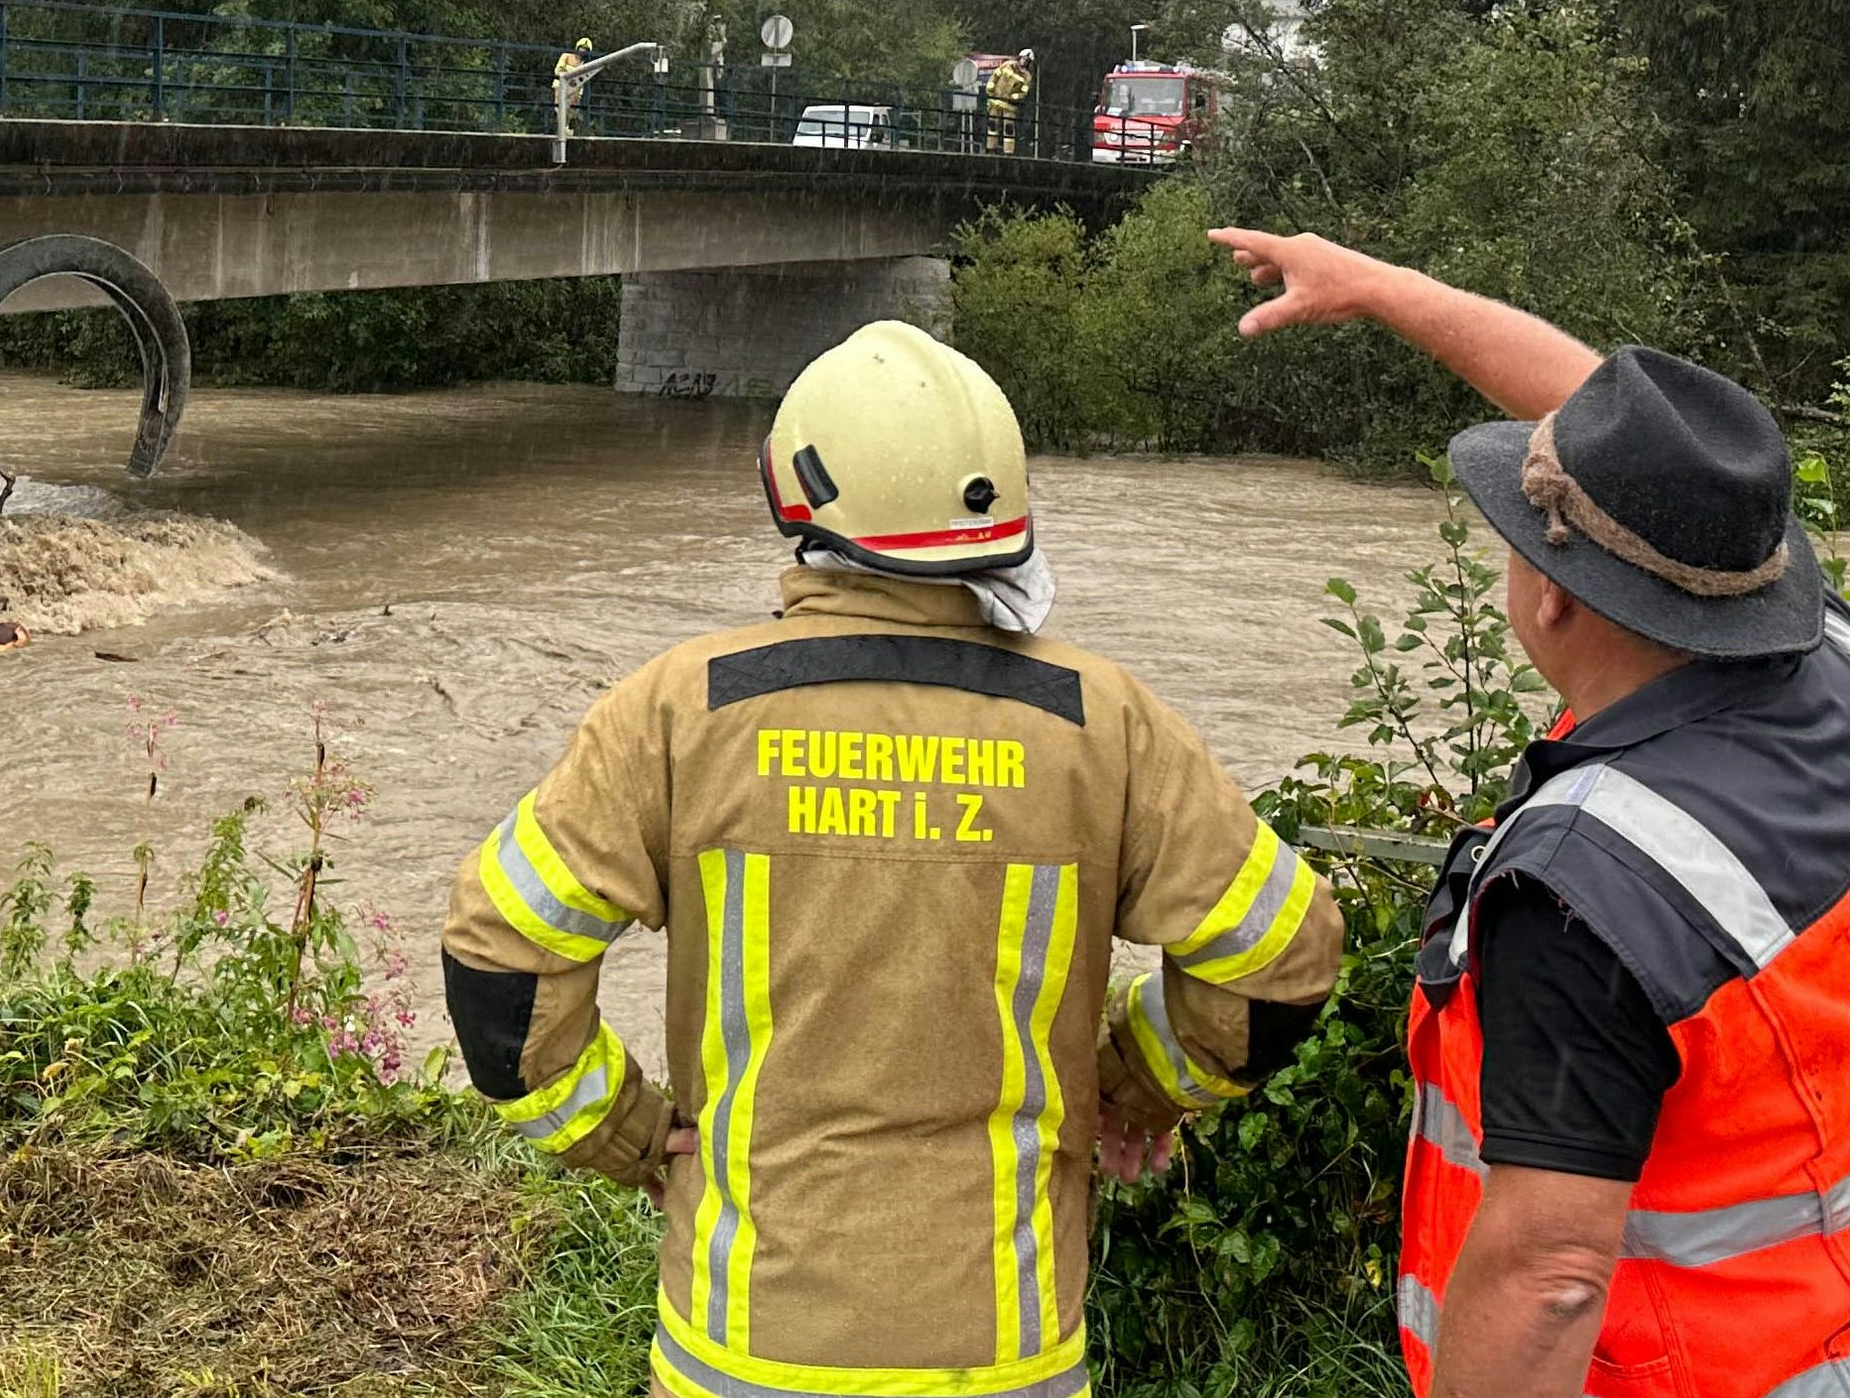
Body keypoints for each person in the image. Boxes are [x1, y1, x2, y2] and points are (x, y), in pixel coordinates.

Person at [444, 321, 1342, 1398]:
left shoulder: (681, 711)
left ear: (798, 495)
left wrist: (632, 1138)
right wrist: (1132, 1089)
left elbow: (500, 969)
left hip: (743, 1340)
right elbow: (1282, 960)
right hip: (1007, 1346)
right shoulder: (1103, 724)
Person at [1209, 228, 1850, 1398]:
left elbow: (1549, 1275)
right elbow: (1636, 446)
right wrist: (1388, 292)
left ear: (1551, 595)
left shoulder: (1589, 889)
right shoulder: (1833, 659)